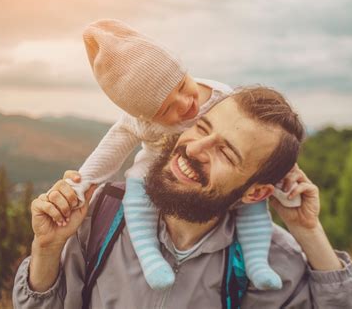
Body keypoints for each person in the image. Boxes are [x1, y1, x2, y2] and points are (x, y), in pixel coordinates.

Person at [12, 87, 352, 308]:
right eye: (202, 127)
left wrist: (307, 230)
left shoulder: (277, 264)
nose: (194, 148)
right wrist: (46, 248)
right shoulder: (99, 214)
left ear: (256, 192)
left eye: (226, 154)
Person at [61, 19, 285, 290]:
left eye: (181, 86)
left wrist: (282, 170)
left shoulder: (221, 96)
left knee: (252, 202)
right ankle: (151, 258)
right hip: (160, 164)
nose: (186, 104)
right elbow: (110, 150)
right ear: (145, 116)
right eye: (166, 110)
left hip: (215, 171)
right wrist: (81, 182)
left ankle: (258, 263)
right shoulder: (138, 122)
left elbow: (256, 143)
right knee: (136, 190)